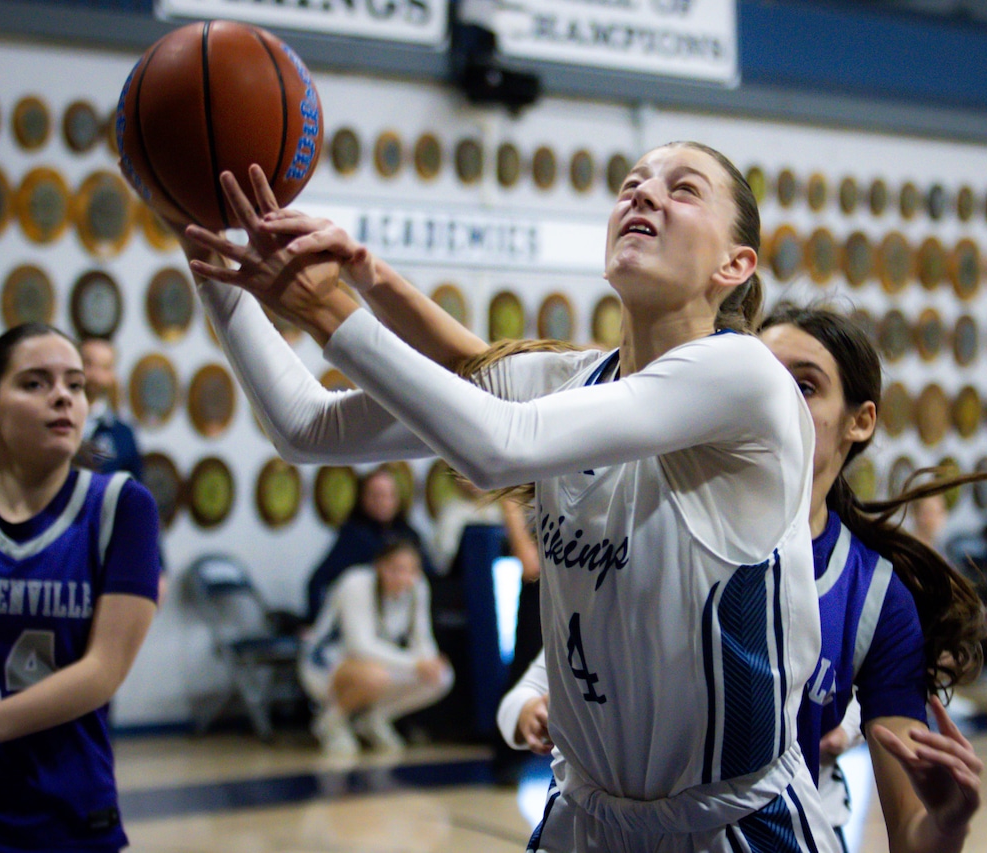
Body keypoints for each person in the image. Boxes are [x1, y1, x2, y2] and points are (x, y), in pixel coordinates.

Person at [184, 143, 839, 851]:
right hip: (585, 817)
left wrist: (334, 308)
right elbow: (305, 425)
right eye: (631, 184)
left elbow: (499, 444)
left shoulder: (742, 375)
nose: (643, 196)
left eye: (682, 189)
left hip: (733, 824)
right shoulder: (566, 382)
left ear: (734, 266)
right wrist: (203, 246)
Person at [498, 302, 987, 853]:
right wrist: (525, 708)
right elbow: (557, 665)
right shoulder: (659, 525)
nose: (773, 400)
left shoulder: (874, 596)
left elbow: (912, 838)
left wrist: (949, 824)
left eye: (803, 386)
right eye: (760, 378)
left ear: (861, 420)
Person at [0, 322, 160, 851]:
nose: (62, 399)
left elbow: (103, 670)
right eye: (35, 383)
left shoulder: (122, 506)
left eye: (74, 385)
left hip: (68, 809)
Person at [299, 538, 452, 755]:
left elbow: (422, 638)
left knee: (442, 676)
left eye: (411, 570)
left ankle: (375, 719)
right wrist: (416, 663)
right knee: (376, 677)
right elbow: (359, 646)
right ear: (379, 566)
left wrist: (429, 661)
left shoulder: (418, 587)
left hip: (379, 662)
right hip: (327, 663)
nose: (404, 577)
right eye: (396, 569)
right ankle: (331, 722)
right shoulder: (355, 582)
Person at [305, 465, 431, 621]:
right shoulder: (353, 536)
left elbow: (428, 578)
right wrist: (316, 622)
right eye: (376, 495)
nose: (383, 502)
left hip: (402, 619)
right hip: (362, 618)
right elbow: (318, 581)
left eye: (389, 495)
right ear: (362, 497)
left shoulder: (409, 534)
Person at [78, 337, 143, 481]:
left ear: (113, 374)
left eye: (104, 367)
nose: (95, 375)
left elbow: (133, 494)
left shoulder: (123, 435)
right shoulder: (55, 422)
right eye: (88, 364)